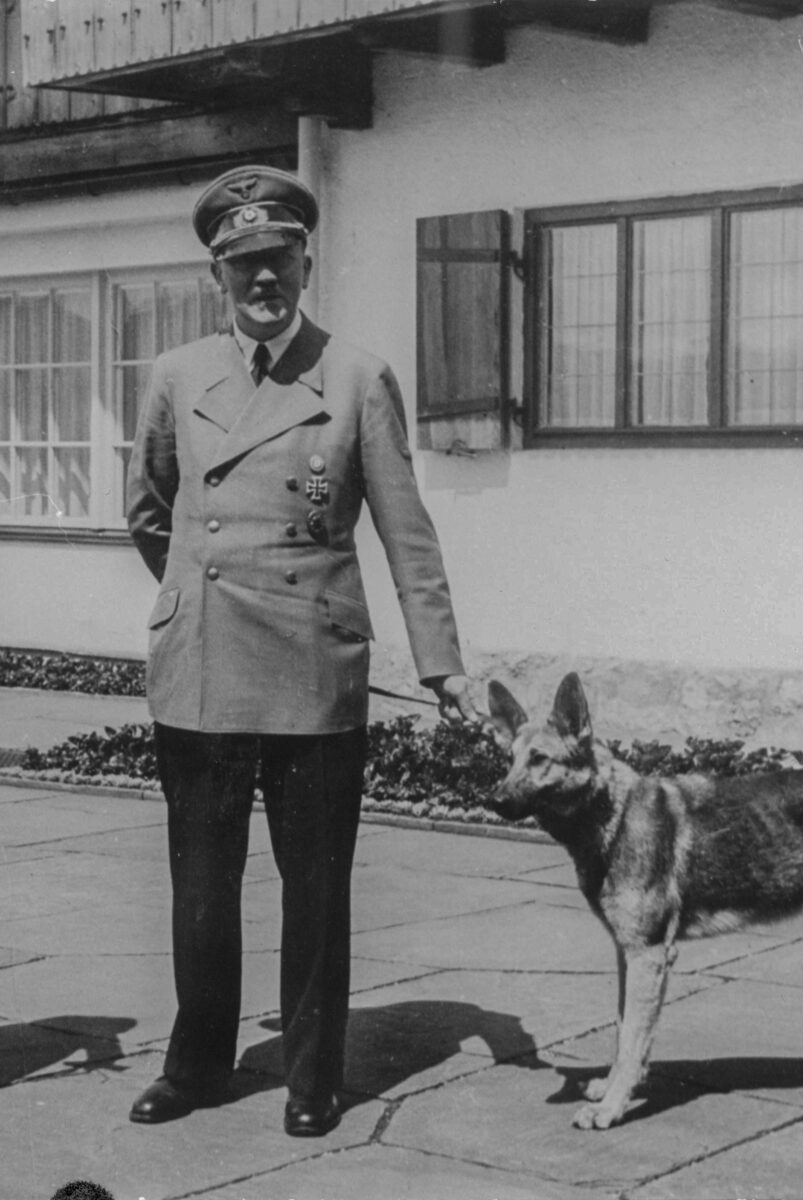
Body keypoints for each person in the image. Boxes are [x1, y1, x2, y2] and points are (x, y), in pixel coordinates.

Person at [126, 164, 478, 1137]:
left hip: (313, 670)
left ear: (306, 262)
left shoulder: (358, 376)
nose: (262, 280)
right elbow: (149, 512)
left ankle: (313, 1076)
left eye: (278, 259)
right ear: (216, 277)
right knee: (201, 887)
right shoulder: (176, 376)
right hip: (201, 665)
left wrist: (441, 662)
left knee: (314, 886)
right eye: (243, 265)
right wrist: (199, 590)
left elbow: (407, 532)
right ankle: (196, 1066)